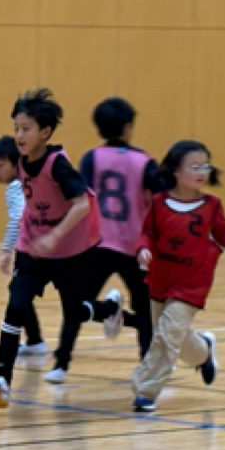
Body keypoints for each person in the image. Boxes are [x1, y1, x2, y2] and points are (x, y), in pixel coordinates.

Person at [0, 89, 101, 408]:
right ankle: (2, 380)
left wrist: (55, 236)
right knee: (15, 305)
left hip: (68, 250)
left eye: (26, 129)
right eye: (16, 128)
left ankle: (111, 310)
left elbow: (82, 204)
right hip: (32, 250)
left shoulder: (57, 165)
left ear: (45, 132)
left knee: (76, 311)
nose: (19, 135)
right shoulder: (19, 162)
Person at [130, 140, 225, 412]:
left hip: (192, 283)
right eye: (194, 166)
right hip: (160, 279)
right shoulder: (159, 203)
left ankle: (146, 389)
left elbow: (224, 235)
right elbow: (147, 234)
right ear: (176, 171)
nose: (202, 171)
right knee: (172, 334)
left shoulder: (212, 206)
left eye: (206, 165)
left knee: (168, 335)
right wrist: (143, 249)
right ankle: (203, 350)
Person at [48, 97, 164, 382]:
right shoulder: (144, 161)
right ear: (127, 128)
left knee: (77, 304)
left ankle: (60, 364)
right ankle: (147, 369)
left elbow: (81, 195)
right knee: (145, 310)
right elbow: (162, 198)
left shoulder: (92, 158)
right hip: (133, 246)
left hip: (97, 243)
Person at [0, 135, 46, 357]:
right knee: (20, 293)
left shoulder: (15, 187)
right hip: (44, 247)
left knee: (19, 293)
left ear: (16, 163)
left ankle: (108, 310)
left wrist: (5, 250)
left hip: (32, 250)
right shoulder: (32, 181)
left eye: (1, 165)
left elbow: (18, 218)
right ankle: (35, 340)